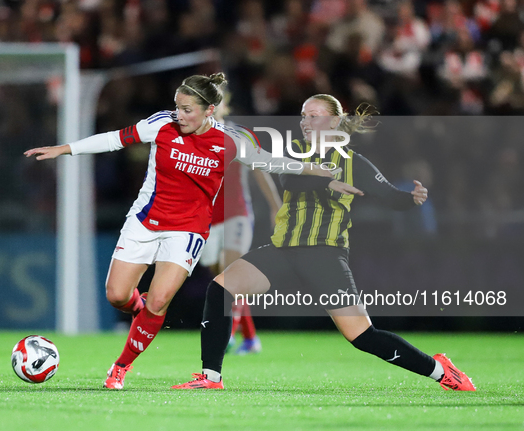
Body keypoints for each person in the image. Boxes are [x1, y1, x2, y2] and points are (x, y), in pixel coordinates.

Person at [24, 73, 338, 390]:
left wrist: (315, 170)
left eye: (188, 109)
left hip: (187, 232)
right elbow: (113, 139)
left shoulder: (232, 140)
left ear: (209, 110)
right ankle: (140, 311)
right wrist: (64, 149)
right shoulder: (161, 124)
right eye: (177, 107)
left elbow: (272, 163)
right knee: (117, 295)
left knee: (159, 302)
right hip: (145, 221)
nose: (180, 115)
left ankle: (120, 367)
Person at [171, 94, 476, 391]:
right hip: (284, 249)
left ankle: (440, 370)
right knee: (222, 288)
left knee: (362, 336)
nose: (305, 121)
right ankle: (211, 377)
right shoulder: (295, 150)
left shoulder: (354, 162)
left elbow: (390, 197)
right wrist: (328, 181)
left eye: (313, 116)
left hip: (324, 255)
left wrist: (412, 199)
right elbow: (289, 179)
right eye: (303, 115)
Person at [200, 96, 283, 354]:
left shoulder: (239, 136)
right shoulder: (196, 137)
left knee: (230, 276)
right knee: (222, 281)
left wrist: (276, 206)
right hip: (208, 219)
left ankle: (227, 335)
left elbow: (260, 171)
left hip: (237, 214)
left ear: (225, 106)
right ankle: (251, 338)